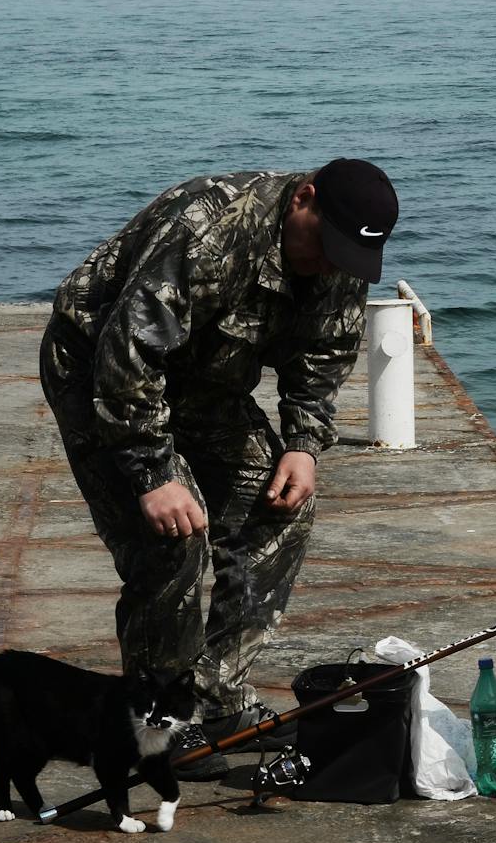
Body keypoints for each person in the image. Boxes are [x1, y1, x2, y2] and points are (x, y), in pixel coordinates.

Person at [39, 159, 398, 778]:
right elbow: (128, 353)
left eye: (347, 258)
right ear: (302, 199)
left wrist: (303, 445)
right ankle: (155, 725)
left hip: (204, 385)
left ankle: (215, 698)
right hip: (100, 373)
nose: (331, 265)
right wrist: (153, 475)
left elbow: (324, 351)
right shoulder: (208, 226)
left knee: (281, 508)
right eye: (325, 246)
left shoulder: (338, 257)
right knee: (170, 544)